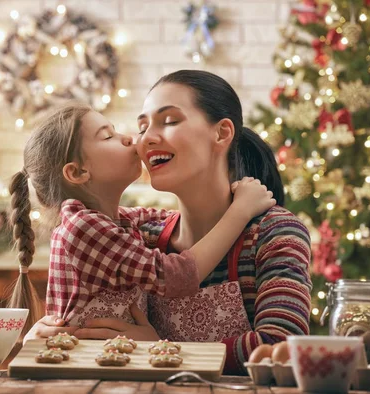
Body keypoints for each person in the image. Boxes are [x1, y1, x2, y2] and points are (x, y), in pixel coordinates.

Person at [24, 70, 312, 375]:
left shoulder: (273, 232)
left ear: (222, 133)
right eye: (143, 126)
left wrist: (160, 349)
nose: (144, 139)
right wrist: (38, 337)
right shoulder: (139, 234)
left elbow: (281, 347)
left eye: (170, 121)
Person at [7, 102, 276, 333]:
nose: (130, 139)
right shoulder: (82, 227)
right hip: (84, 368)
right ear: (77, 173)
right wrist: (239, 212)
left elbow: (172, 214)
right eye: (107, 137)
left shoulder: (118, 220)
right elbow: (176, 276)